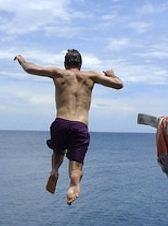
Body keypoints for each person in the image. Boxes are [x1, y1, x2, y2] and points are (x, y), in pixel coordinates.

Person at [14, 49, 123, 205]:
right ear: (80, 64)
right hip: (80, 125)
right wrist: (111, 75)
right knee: (76, 166)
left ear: (65, 64)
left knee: (58, 151)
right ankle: (74, 182)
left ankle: (54, 171)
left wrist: (21, 59)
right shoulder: (91, 76)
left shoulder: (57, 73)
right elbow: (119, 85)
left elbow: (30, 68)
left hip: (60, 122)